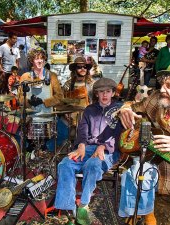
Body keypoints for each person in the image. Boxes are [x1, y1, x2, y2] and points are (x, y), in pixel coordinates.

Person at [54, 78, 123, 225]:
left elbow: (118, 135)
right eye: (101, 92)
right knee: (65, 164)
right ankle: (68, 210)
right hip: (87, 147)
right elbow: (82, 131)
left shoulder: (119, 109)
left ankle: (83, 205)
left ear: (113, 93)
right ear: (96, 94)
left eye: (108, 91)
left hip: (109, 150)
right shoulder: (89, 110)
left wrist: (103, 146)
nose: (105, 95)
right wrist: (81, 145)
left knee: (93, 165)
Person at [118, 70, 170, 225]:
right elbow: (133, 106)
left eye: (168, 86)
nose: (161, 90)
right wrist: (124, 110)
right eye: (162, 84)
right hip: (155, 158)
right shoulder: (157, 99)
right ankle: (144, 212)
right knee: (135, 173)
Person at [17, 47, 63, 151]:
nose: (40, 61)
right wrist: (28, 102)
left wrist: (44, 101)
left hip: (47, 118)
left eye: (42, 58)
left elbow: (60, 96)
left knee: (60, 135)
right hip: (30, 119)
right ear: (31, 60)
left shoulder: (52, 76)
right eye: (36, 58)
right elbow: (19, 97)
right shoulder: (25, 77)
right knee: (28, 145)